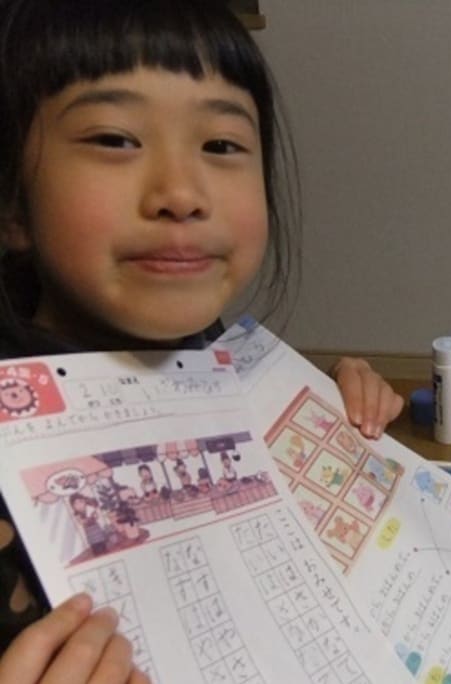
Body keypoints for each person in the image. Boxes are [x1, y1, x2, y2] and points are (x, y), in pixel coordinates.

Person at [0, 0, 403, 678]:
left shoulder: (203, 349)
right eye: (114, 139)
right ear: (12, 203)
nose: (182, 193)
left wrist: (313, 413)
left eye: (220, 145)